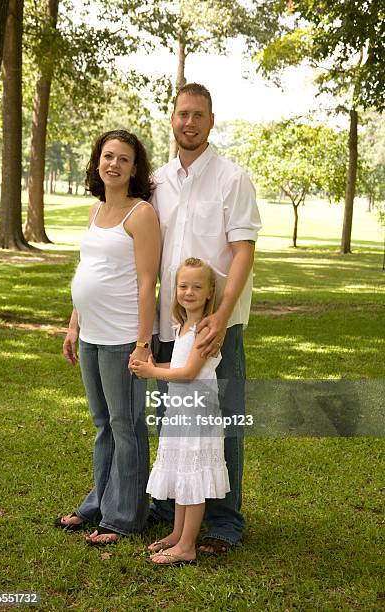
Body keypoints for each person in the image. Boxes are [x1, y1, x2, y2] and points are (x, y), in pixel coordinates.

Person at [149, 83, 262, 553]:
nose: (189, 122)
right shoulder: (156, 182)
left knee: (221, 421)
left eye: (198, 115)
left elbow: (242, 252)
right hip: (170, 323)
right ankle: (176, 508)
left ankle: (223, 522)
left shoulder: (233, 178)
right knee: (174, 420)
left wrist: (222, 313)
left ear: (211, 121)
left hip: (219, 326)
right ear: (172, 120)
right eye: (182, 114)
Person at [56, 129, 160, 545]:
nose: (113, 164)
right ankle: (100, 501)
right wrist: (74, 323)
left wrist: (141, 343)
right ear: (97, 161)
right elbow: (88, 272)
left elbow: (147, 281)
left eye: (123, 158)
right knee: (103, 424)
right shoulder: (95, 211)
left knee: (126, 426)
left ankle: (124, 517)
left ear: (135, 169)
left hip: (121, 339)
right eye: (107, 156)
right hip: (92, 335)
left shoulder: (142, 215)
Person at [132, 257, 230, 565]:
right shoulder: (184, 326)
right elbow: (178, 367)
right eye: (183, 285)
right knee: (182, 470)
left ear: (210, 292)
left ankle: (187, 546)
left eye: (197, 286)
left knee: (194, 475)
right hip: (181, 411)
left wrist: (152, 373)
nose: (188, 292)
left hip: (197, 414)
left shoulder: (204, 329)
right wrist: (149, 366)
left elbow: (188, 373)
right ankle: (177, 534)